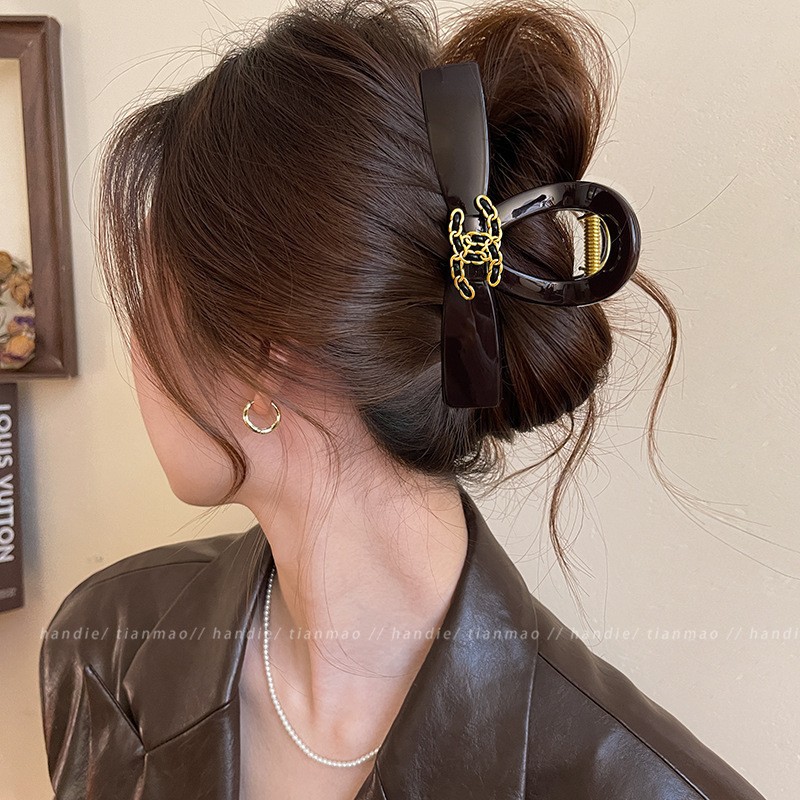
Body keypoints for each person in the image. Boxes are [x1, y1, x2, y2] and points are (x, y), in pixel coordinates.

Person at [39, 0, 768, 798]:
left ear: (263, 351)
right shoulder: (107, 648)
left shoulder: (650, 786)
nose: (132, 349)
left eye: (146, 299)